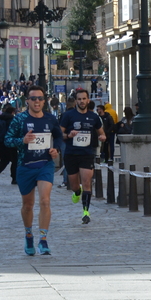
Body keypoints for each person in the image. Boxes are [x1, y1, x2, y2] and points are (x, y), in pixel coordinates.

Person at [4, 86, 64, 256]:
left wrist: (56, 149)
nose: (37, 101)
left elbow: (59, 136)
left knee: (45, 201)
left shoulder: (50, 119)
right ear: (27, 101)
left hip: (45, 164)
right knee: (28, 205)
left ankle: (43, 240)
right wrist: (22, 140)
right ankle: (28, 234)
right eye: (33, 98)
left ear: (44, 101)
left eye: (40, 98)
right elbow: (7, 140)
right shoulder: (19, 119)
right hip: (25, 166)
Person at [60, 88, 107, 225]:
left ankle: (85, 211)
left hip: (87, 154)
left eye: (84, 99)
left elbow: (101, 132)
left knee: (87, 183)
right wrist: (68, 135)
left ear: (88, 100)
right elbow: (59, 134)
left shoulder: (93, 117)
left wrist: (102, 136)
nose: (81, 101)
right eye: (79, 99)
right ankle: (76, 192)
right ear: (76, 101)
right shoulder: (68, 116)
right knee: (75, 185)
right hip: (71, 154)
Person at [0, 105, 18, 185]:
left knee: (4, 161)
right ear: (12, 112)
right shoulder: (12, 120)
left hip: (1, 143)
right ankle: (14, 178)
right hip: (11, 143)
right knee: (15, 161)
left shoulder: (0, 119)